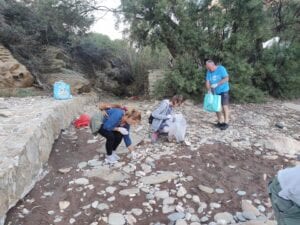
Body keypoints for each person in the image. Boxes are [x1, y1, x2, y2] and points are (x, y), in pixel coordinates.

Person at [205, 59, 230, 130]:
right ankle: (220, 121)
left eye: (209, 67)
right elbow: (207, 81)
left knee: (224, 105)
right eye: (207, 67)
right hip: (215, 91)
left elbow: (226, 78)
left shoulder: (221, 69)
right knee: (216, 106)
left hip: (224, 90)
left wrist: (217, 84)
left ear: (213, 65)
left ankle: (226, 122)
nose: (208, 69)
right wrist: (209, 90)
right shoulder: (208, 71)